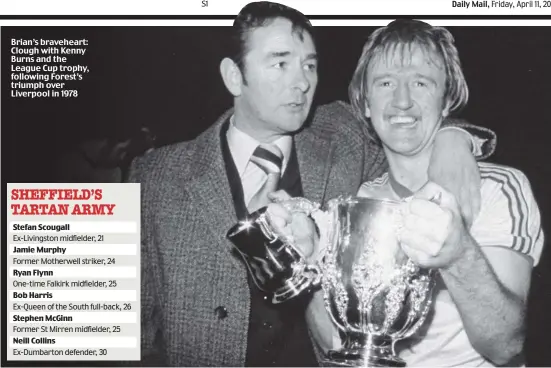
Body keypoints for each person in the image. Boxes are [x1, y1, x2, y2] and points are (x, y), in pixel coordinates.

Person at [127, 3, 496, 367]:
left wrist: (453, 139)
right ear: (234, 76)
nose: (302, 81)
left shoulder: (346, 137)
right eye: (280, 63)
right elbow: (124, 337)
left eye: (309, 64)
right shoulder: (156, 176)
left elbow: (408, 114)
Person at [271, 19, 544, 367]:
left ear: (446, 102)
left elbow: (505, 345)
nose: (402, 101)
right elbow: (340, 348)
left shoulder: (499, 188)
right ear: (365, 104)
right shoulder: (359, 203)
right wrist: (307, 267)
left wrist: (457, 255)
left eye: (421, 82)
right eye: (385, 83)